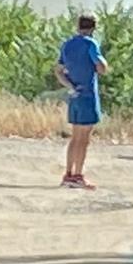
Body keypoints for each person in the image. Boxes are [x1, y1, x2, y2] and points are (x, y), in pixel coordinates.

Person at [54, 14, 109, 190]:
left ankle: (68, 174)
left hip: (74, 95)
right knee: (84, 139)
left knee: (74, 137)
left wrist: (69, 85)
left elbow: (59, 70)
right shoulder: (91, 44)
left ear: (78, 26)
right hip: (87, 96)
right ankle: (78, 176)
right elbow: (101, 68)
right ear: (93, 28)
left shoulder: (67, 44)